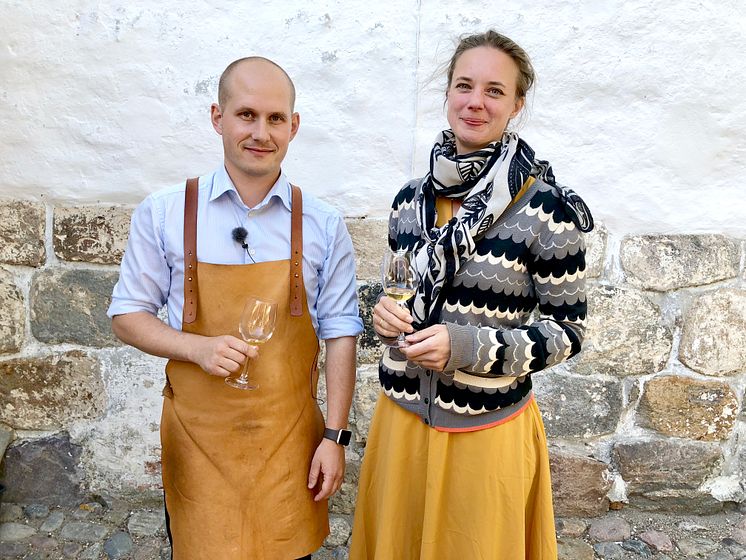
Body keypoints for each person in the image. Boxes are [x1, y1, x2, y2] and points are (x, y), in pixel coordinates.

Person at [349, 30, 593, 559]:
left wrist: (464, 347)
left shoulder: (547, 209)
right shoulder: (409, 201)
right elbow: (401, 295)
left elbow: (567, 333)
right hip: (402, 421)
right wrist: (384, 315)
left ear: (517, 104)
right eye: (464, 85)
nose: (475, 102)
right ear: (448, 94)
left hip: (486, 430)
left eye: (494, 90)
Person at [108, 56, 363, 560]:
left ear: (293, 126)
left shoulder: (324, 223)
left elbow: (340, 334)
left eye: (274, 119)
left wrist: (334, 436)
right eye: (246, 114)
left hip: (288, 442)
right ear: (217, 117)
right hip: (198, 443)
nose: (260, 132)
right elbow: (127, 315)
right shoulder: (163, 212)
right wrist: (194, 348)